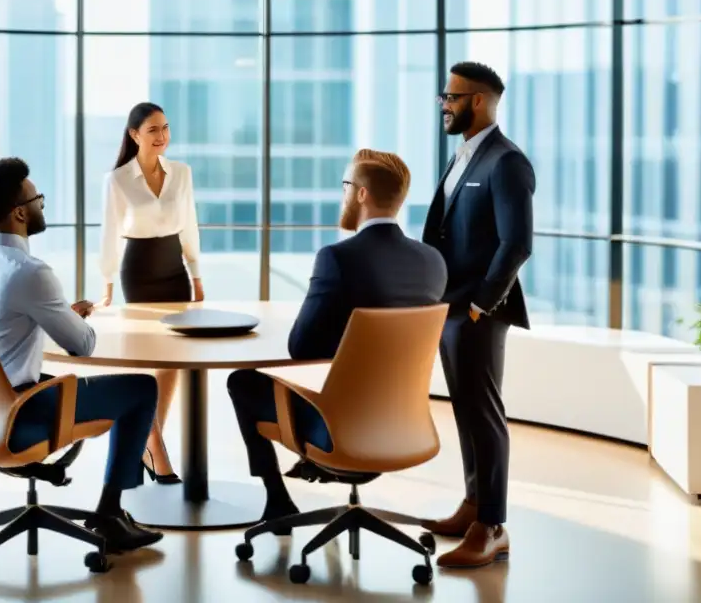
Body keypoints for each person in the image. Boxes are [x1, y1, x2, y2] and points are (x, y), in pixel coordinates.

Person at [226, 149, 448, 523]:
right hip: (406, 424)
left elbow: (301, 348)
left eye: (346, 186)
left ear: (360, 194)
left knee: (243, 381)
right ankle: (318, 472)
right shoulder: (432, 262)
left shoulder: (338, 258)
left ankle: (277, 499)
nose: (343, 195)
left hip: (341, 428)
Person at [0, 157, 163, 554]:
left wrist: (58, 311)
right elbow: (82, 345)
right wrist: (69, 316)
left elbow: (8, 320)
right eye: (38, 198)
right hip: (20, 414)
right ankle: (110, 515)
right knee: (141, 388)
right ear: (20, 212)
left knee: (99, 386)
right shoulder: (30, 272)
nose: (41, 204)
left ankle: (113, 512)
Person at [421, 61, 535, 569]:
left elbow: (517, 243)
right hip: (448, 307)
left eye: (451, 96)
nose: (444, 104)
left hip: (478, 311)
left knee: (485, 415)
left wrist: (477, 305)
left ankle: (492, 526)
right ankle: (472, 505)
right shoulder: (465, 155)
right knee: (466, 409)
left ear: (480, 101)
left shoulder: (506, 161)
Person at [98, 101, 203, 486]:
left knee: (173, 359)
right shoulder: (118, 179)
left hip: (174, 268)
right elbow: (109, 231)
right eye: (153, 130)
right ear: (134, 135)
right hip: (139, 272)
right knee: (147, 358)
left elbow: (189, 222)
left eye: (165, 128)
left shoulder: (182, 173)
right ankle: (156, 447)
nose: (162, 136)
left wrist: (196, 273)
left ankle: (149, 437)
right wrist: (106, 283)